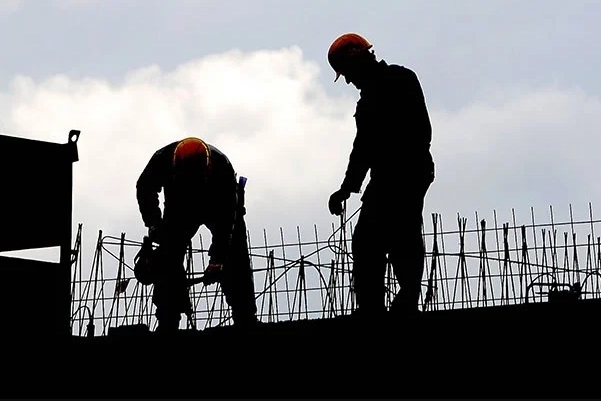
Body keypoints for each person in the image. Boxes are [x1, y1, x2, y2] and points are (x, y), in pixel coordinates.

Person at [326, 33, 435, 318]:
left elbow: (421, 131)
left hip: (407, 173)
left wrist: (395, 165)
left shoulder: (400, 80)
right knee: (370, 241)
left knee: (400, 236)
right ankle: (374, 307)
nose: (348, 81)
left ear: (358, 60)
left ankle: (402, 301)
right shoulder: (368, 100)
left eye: (347, 73)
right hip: (388, 177)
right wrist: (347, 188)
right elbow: (362, 148)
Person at [135, 137, 258, 332]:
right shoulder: (162, 159)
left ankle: (245, 317)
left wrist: (217, 260)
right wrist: (154, 222)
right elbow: (145, 188)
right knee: (169, 256)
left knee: (235, 253)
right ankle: (168, 320)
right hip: (180, 208)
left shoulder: (222, 168)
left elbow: (227, 222)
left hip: (216, 206)